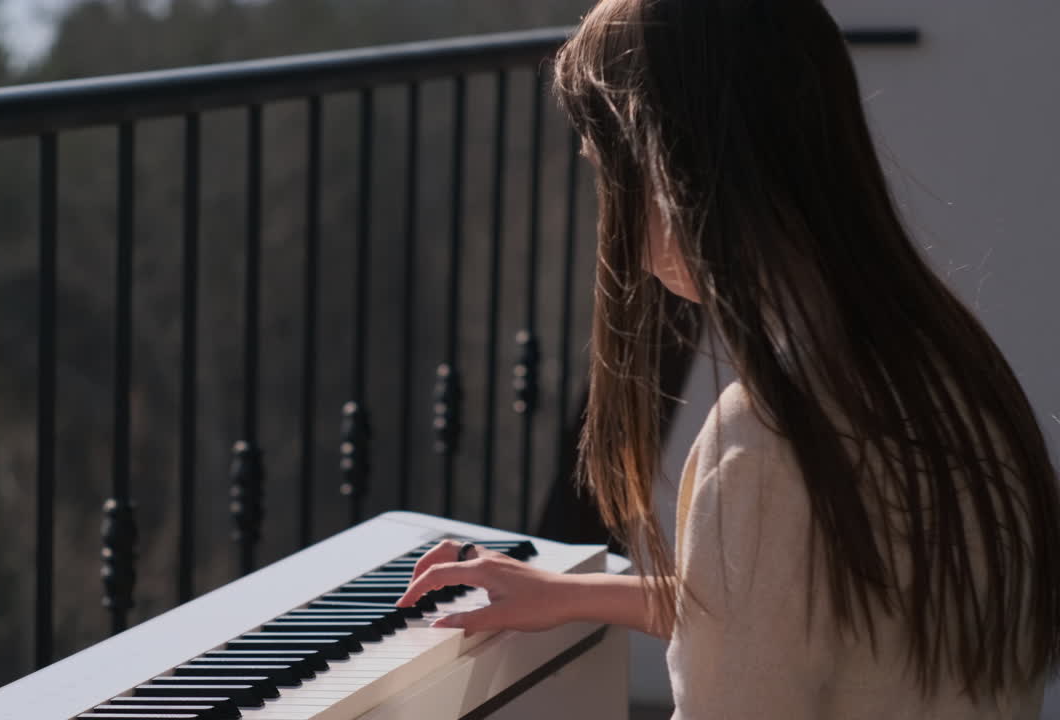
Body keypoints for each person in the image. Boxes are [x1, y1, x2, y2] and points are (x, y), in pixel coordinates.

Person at [395, 0, 1060, 717]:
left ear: (659, 166)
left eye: (603, 171)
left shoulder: (768, 445)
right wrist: (572, 593)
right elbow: (808, 619)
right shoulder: (942, 366)